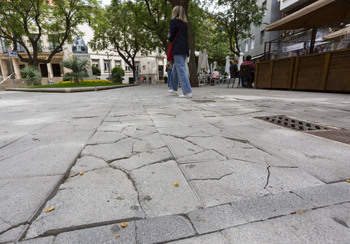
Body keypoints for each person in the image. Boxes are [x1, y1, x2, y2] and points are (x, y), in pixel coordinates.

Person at [167, 5, 192, 98]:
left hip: (177, 49)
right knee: (176, 68)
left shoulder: (173, 22)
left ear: (175, 12)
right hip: (185, 49)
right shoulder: (185, 24)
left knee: (181, 69)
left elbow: (171, 37)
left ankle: (187, 91)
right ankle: (173, 88)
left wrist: (168, 36)